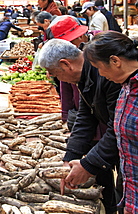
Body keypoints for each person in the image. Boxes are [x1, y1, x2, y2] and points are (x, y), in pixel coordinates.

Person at [38, 38, 121, 214]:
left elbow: (118, 129)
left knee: (125, 194)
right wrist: (70, 158)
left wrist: (88, 165)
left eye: (54, 73)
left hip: (128, 150)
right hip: (117, 145)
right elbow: (86, 117)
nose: (54, 78)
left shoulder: (107, 75)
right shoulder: (85, 77)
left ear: (66, 64)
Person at [83, 31, 138, 214]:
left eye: (98, 67)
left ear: (115, 61)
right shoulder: (125, 87)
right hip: (130, 189)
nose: (99, 74)